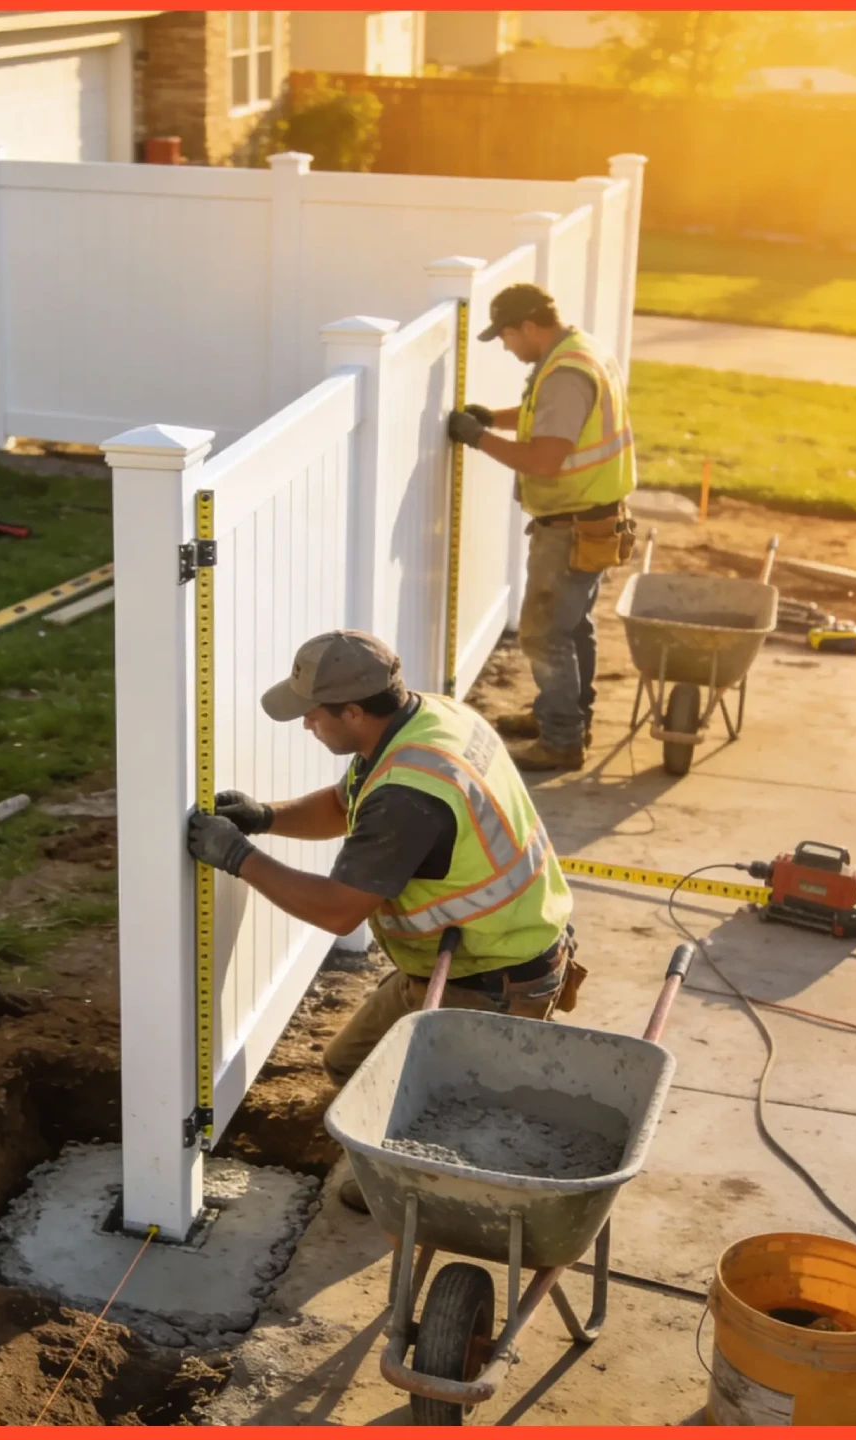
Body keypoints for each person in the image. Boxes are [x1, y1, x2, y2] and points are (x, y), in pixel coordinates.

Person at [186, 629, 583, 1212]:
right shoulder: (426, 721)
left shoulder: (408, 795)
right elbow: (347, 803)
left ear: (352, 711)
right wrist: (266, 817)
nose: (305, 724)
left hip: (493, 979)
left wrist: (240, 858)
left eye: (313, 713)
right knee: (350, 1063)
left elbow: (338, 909)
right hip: (472, 952)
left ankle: (426, 1197)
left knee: (448, 1112)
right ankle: (410, 1167)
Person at [447, 283, 637, 772]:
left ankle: (561, 739)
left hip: (571, 526)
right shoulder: (578, 351)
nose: (506, 346)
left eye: (506, 336)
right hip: (592, 517)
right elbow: (550, 424)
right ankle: (566, 714)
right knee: (572, 628)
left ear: (529, 326)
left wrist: (479, 438)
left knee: (544, 634)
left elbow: (544, 459)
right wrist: (494, 419)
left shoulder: (565, 374)